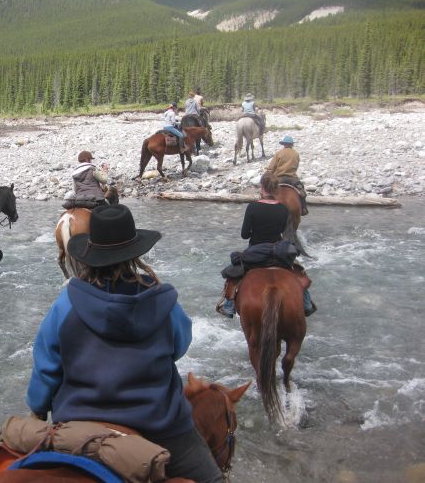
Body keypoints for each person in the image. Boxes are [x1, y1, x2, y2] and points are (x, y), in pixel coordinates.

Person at [26, 204, 223, 483]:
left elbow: (47, 366)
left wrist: (37, 407)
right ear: (135, 253)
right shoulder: (161, 300)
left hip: (78, 423)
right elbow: (181, 344)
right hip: (160, 423)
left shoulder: (67, 302)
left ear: (90, 253)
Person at [216, 172, 316, 318]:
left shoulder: (252, 207)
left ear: (262, 187)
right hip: (278, 251)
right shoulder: (283, 209)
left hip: (255, 251)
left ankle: (228, 306)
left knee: (234, 273)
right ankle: (307, 303)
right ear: (276, 188)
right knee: (297, 269)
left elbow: (244, 234)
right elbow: (285, 232)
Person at [266, 135, 309, 215]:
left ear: (284, 144)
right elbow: (296, 165)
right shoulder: (296, 154)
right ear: (291, 144)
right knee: (302, 192)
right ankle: (303, 208)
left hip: (279, 178)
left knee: (267, 190)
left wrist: (268, 173)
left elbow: (271, 168)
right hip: (292, 178)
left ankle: (263, 207)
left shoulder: (279, 153)